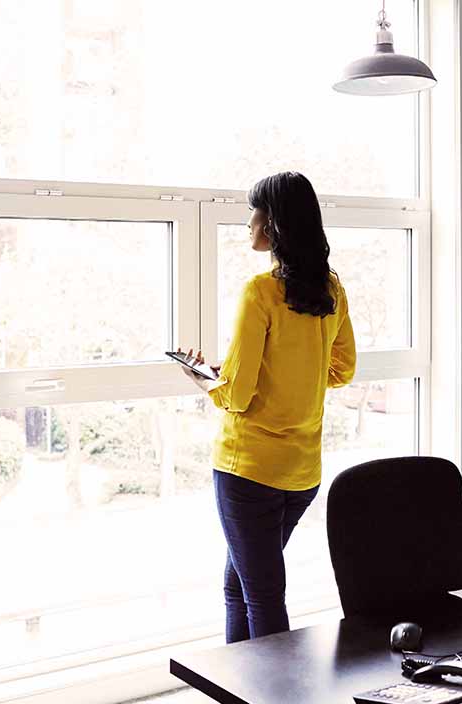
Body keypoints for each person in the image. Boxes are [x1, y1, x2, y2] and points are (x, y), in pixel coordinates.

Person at [180, 171, 356, 643]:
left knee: (260, 593)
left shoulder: (261, 291)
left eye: (253, 212)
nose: (248, 223)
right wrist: (290, 374)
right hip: (301, 475)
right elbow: (341, 369)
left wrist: (202, 380)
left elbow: (235, 395)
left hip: (248, 470)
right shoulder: (331, 291)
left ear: (274, 223)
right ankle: (238, 690)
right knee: (238, 586)